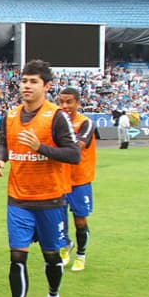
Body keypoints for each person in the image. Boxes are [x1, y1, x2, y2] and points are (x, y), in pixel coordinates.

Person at [0, 59, 80, 297]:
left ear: (46, 86)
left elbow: (74, 154)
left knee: (52, 257)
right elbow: (6, 146)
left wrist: (40, 147)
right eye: (24, 81)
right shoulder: (10, 115)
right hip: (18, 199)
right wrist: (0, 160)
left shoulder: (56, 116)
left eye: (33, 82)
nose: (26, 86)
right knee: (17, 256)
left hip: (51, 199)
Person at [57, 87, 96, 272]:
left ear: (77, 103)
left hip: (80, 180)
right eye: (61, 102)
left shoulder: (85, 123)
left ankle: (81, 255)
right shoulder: (55, 122)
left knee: (79, 220)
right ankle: (65, 247)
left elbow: (77, 148)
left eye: (69, 102)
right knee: (59, 219)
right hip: (60, 180)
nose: (65, 106)